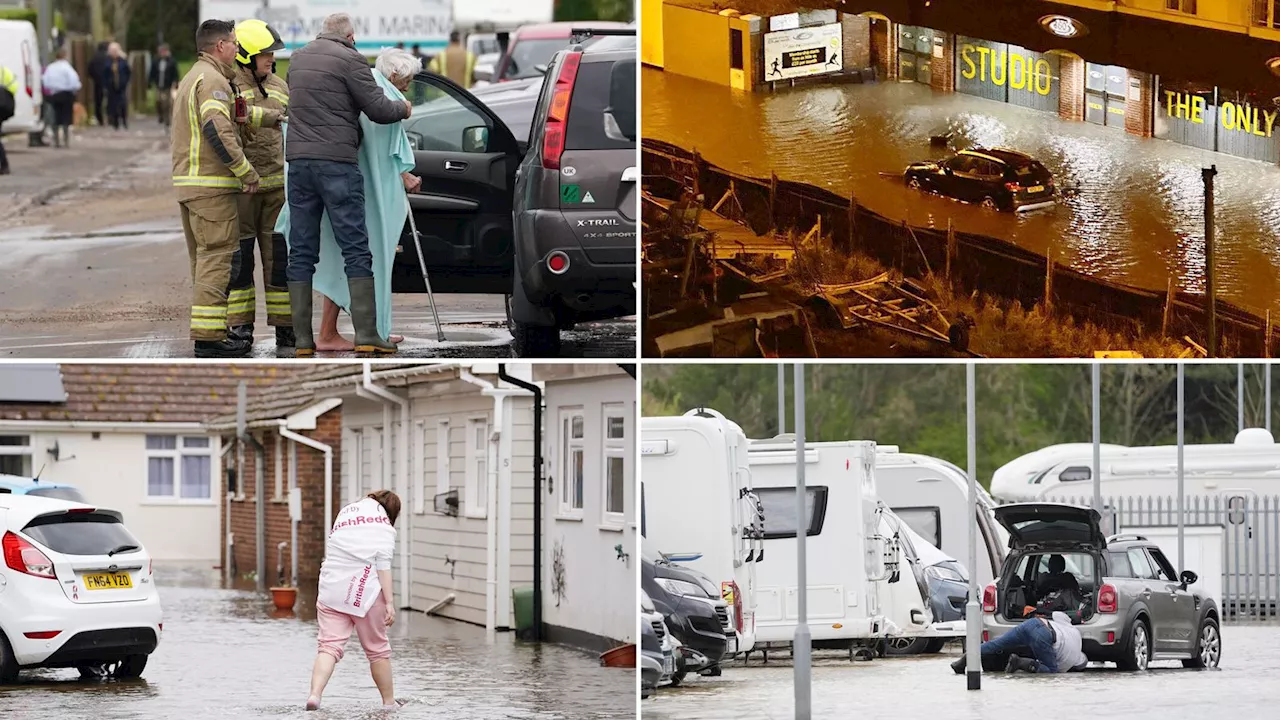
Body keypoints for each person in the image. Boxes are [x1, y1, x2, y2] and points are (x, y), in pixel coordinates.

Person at [283, 12, 413, 357]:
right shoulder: (351, 59)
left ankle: (302, 341)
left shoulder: (297, 59)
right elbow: (378, 110)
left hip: (298, 165)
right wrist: (405, 108)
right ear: (350, 37)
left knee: (302, 251)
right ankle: (368, 335)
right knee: (355, 247)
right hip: (337, 166)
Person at [171, 19, 261, 358]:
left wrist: (269, 116)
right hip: (212, 188)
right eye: (235, 43)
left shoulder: (195, 75)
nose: (238, 49)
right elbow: (217, 130)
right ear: (220, 46)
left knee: (205, 261)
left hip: (192, 186)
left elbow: (230, 118)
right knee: (218, 260)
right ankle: (209, 340)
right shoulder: (213, 81)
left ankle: (212, 333)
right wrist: (246, 172)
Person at [228, 19, 294, 352]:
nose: (272, 59)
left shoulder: (281, 85)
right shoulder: (229, 86)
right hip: (242, 190)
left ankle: (287, 329)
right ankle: (239, 330)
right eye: (266, 54)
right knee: (240, 262)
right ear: (246, 56)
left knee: (280, 261)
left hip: (277, 190)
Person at [307, 489, 402, 711]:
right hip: (365, 593)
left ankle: (314, 695)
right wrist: (389, 603)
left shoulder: (346, 513)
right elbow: (383, 567)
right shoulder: (384, 527)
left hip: (331, 589)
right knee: (377, 650)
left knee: (328, 647)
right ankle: (389, 703)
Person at [950, 610, 1088, 674]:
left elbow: (1057, 614)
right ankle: (1019, 662)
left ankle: (961, 662)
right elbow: (1048, 666)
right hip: (1044, 636)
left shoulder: (1073, 631)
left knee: (995, 645)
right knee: (1051, 671)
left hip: (1033, 623)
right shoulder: (1067, 664)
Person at [41, 48, 81, 149]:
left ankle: (56, 140)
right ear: (65, 56)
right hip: (66, 94)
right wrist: (74, 89)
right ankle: (66, 139)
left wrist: (51, 89)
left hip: (54, 94)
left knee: (55, 116)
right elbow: (74, 80)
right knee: (66, 117)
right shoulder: (67, 68)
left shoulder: (50, 68)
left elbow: (45, 81)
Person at [149, 44, 180, 129]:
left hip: (167, 85)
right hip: (158, 85)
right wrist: (150, 82)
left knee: (167, 103)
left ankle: (167, 120)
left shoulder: (171, 61)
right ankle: (160, 116)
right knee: (158, 101)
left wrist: (176, 83)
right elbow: (152, 72)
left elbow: (175, 73)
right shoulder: (155, 61)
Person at [104, 42, 131, 130]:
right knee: (113, 105)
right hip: (112, 87)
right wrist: (107, 83)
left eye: (115, 51)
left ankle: (124, 121)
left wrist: (125, 81)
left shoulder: (122, 61)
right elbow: (105, 73)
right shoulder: (108, 61)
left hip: (121, 86)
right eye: (112, 51)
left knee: (123, 104)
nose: (114, 53)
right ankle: (115, 122)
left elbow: (128, 72)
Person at [0, 65, 17, 175]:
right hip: (4, 106)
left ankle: (4, 165)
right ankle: (4, 165)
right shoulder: (4, 71)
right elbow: (14, 86)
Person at [88, 41, 110, 126]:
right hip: (108, 82)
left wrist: (94, 77)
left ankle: (99, 118)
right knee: (110, 100)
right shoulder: (108, 57)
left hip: (97, 82)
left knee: (98, 101)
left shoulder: (94, 58)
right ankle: (110, 117)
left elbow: (89, 69)